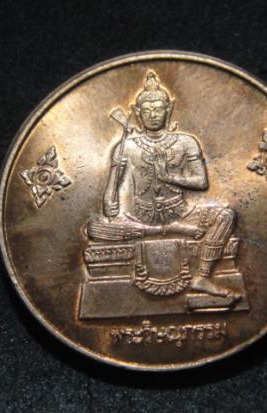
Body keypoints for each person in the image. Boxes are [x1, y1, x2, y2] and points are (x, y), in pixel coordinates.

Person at [86, 71, 239, 299]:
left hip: (181, 211)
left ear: (169, 108)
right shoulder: (127, 146)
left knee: (226, 216)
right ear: (137, 112)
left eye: (158, 109)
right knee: (94, 227)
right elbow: (109, 204)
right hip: (139, 217)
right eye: (147, 110)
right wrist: (112, 188)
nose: (153, 115)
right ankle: (171, 230)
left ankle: (203, 277)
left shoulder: (186, 142)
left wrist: (168, 176)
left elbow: (201, 182)